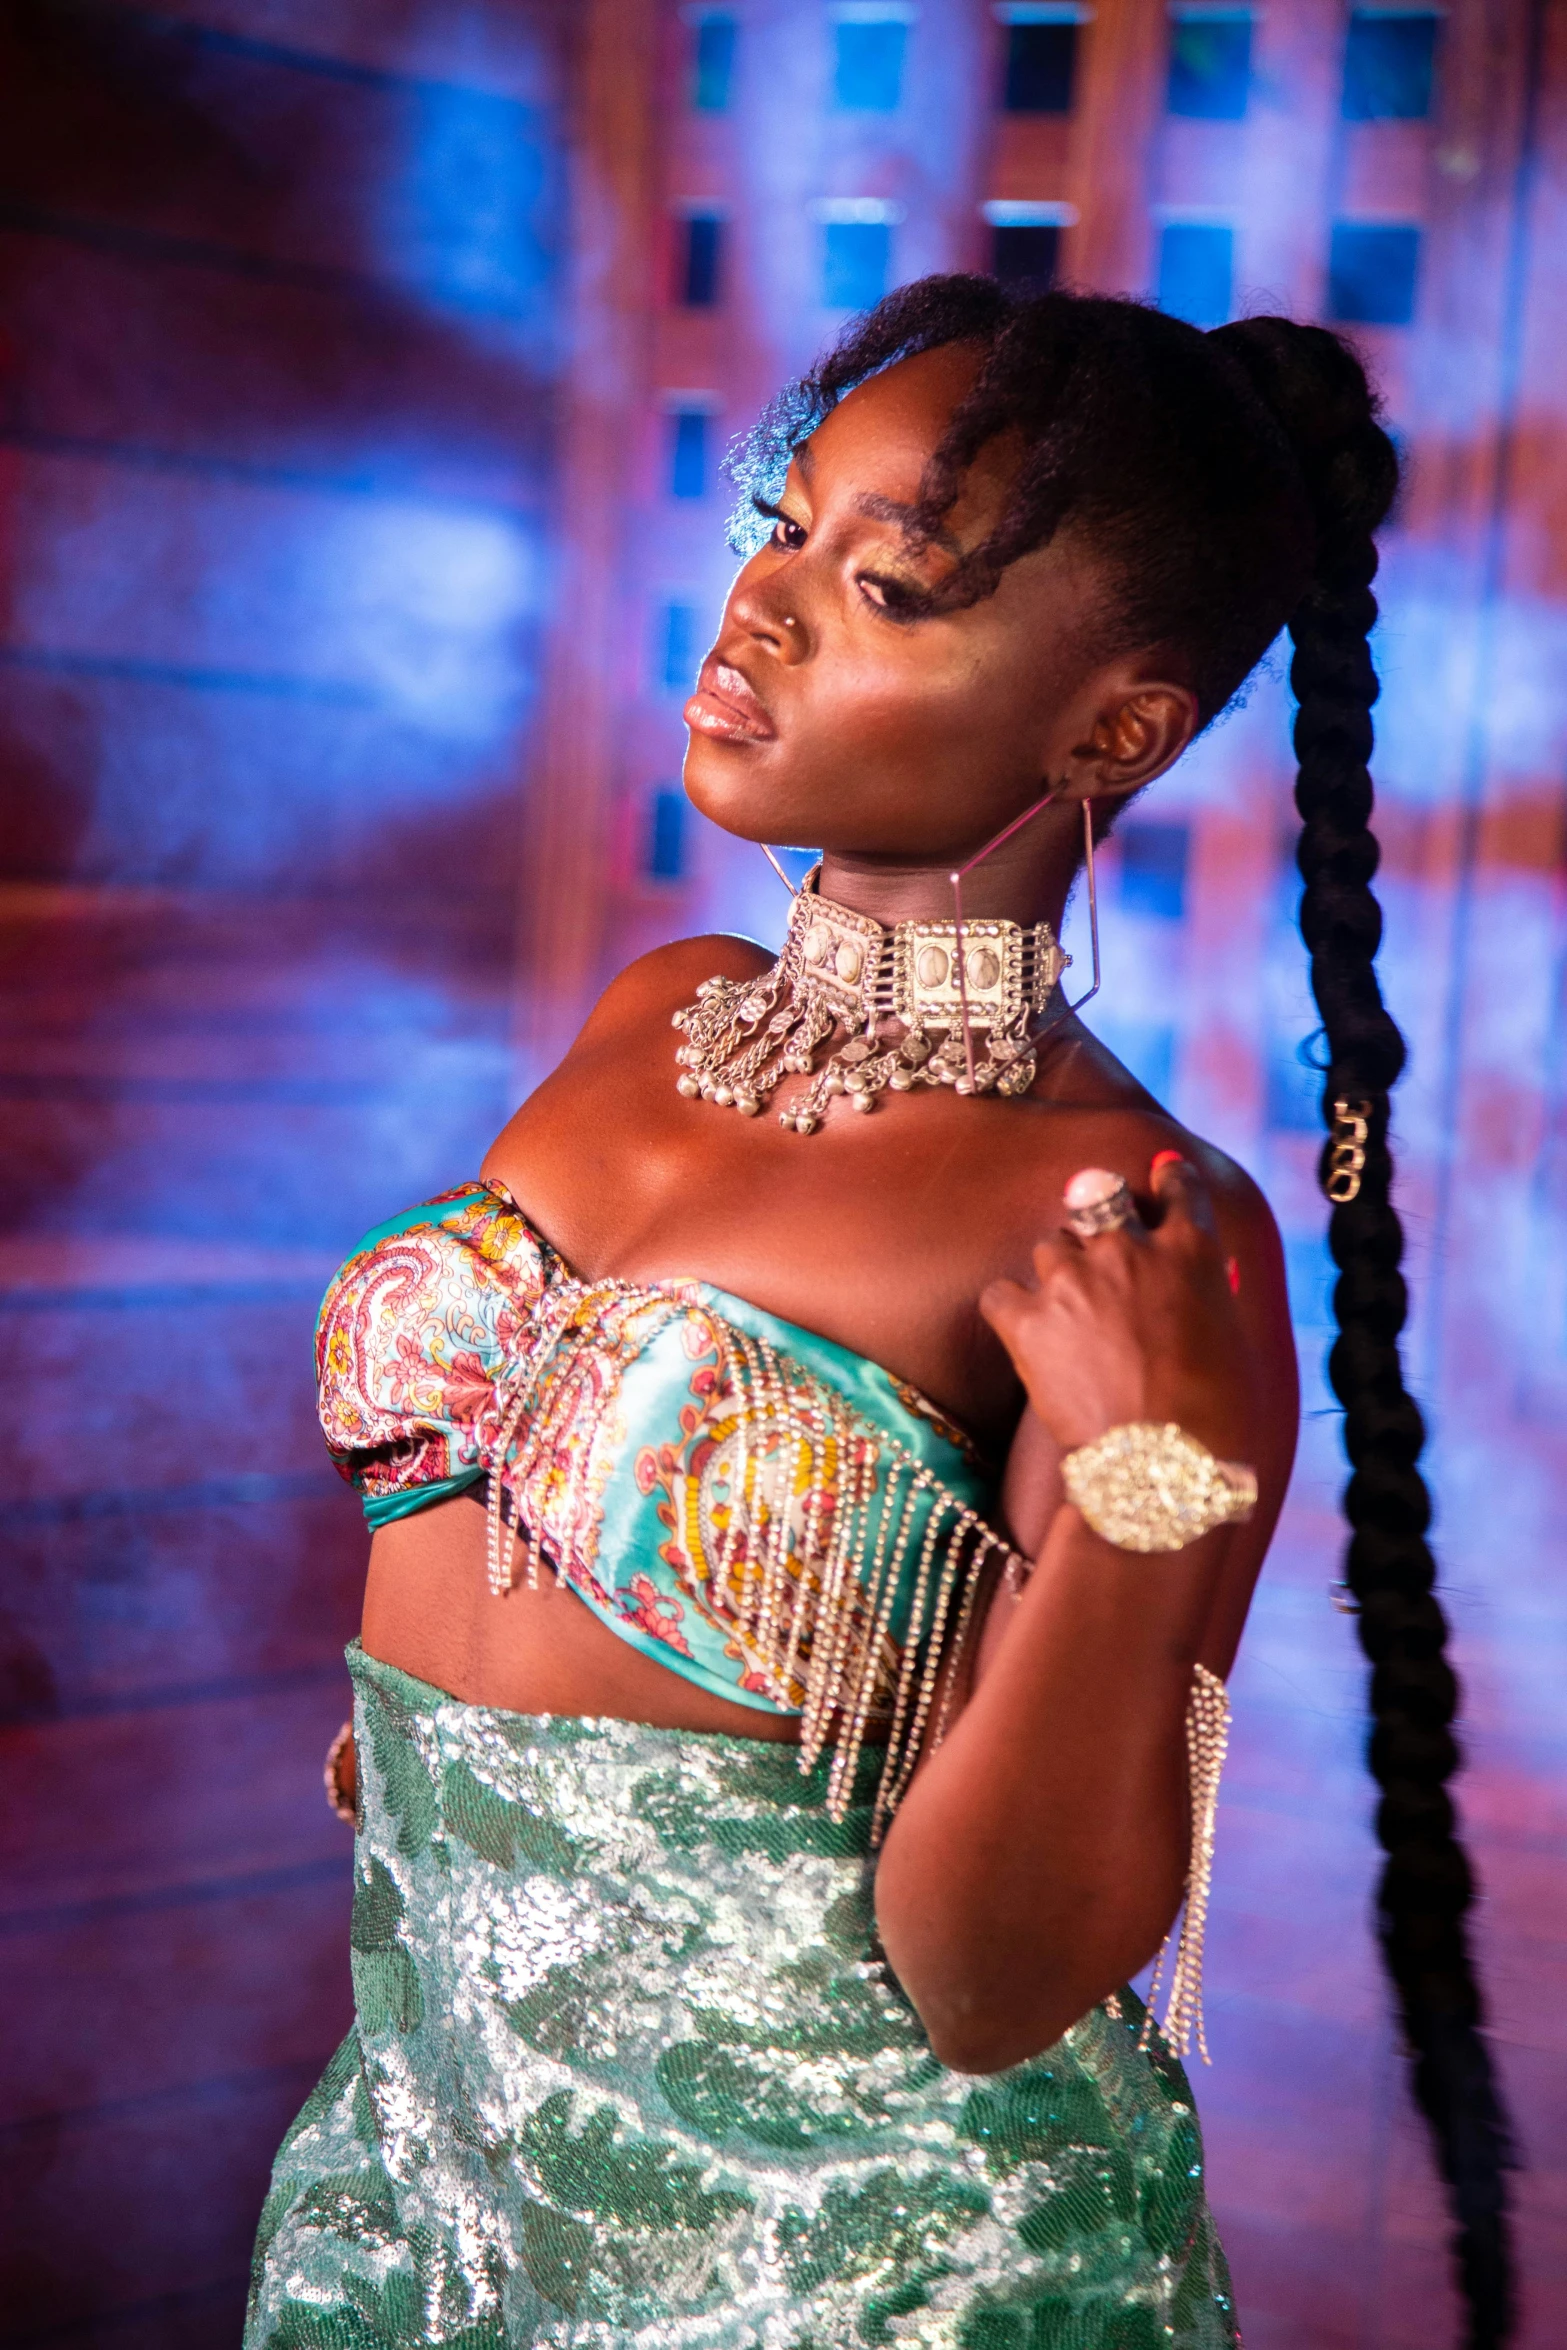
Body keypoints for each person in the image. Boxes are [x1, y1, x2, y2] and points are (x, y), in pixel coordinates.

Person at [246, 280, 1510, 2348]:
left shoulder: (1139, 1223)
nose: (763, 599)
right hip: (430, 2170)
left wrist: (1136, 1501)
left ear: (1117, 728)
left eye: (892, 579)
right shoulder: (645, 1013)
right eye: (784, 512)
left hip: (853, 2261)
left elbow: (997, 1982)